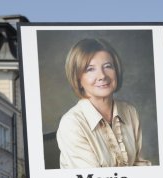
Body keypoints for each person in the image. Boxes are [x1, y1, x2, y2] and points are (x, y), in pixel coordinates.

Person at [57, 38, 151, 169]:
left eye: (107, 66)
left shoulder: (130, 112)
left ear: (116, 71)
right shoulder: (71, 124)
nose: (102, 76)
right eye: (90, 69)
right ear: (78, 79)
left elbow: (141, 165)